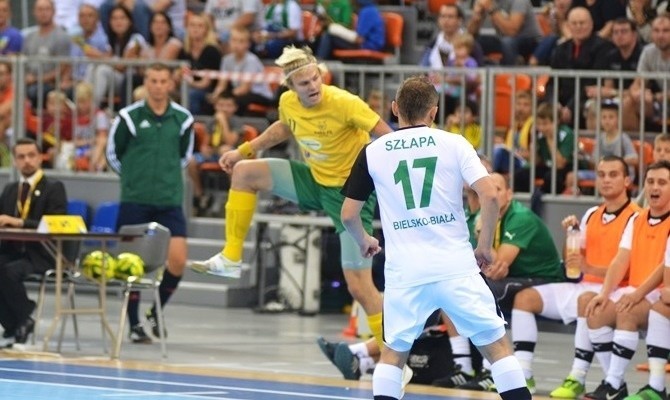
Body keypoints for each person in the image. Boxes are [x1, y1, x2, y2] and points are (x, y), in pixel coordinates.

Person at [190, 46, 393, 357]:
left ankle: (394, 358)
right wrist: (244, 150)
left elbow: (386, 135)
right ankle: (231, 258)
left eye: (315, 79)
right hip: (313, 181)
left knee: (360, 287)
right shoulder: (288, 103)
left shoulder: (344, 103)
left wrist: (385, 177)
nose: (312, 86)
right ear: (290, 86)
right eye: (304, 83)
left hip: (349, 196)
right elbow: (285, 126)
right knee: (244, 173)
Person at [340, 75, 532, 400]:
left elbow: (348, 214)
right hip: (455, 266)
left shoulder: (373, 151)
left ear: (394, 108)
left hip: (406, 272)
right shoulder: (454, 143)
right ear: (434, 112)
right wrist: (483, 247)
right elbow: (490, 195)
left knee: (392, 355)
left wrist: (364, 241)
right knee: (497, 349)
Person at [511, 156, 640, 400]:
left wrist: (588, 266)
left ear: (627, 181)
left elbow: (632, 268)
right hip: (583, 284)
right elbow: (573, 263)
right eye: (601, 175)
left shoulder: (636, 217)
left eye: (613, 175)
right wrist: (571, 235)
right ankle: (523, 374)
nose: (606, 180)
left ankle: (578, 377)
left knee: (587, 301)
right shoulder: (592, 213)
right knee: (525, 298)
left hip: (614, 289)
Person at [434, 172, 564, 393]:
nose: (492, 193)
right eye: (488, 188)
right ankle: (464, 366)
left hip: (544, 280)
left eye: (498, 189)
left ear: (509, 194)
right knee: (450, 288)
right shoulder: (486, 216)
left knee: (485, 290)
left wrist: (481, 227)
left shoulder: (520, 218)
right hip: (516, 277)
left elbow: (497, 267)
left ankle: (488, 370)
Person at [106, 62, 194, 343]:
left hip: (169, 200)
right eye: (153, 81)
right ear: (146, 83)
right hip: (135, 199)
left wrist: (164, 179)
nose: (157, 86)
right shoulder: (128, 117)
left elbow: (183, 157)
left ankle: (155, 312)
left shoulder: (183, 119)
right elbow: (113, 154)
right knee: (132, 265)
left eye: (162, 81)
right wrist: (134, 176)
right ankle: (133, 324)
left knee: (178, 260)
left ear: (171, 84)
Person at [582, 160, 670, 400]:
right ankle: (616, 382)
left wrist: (637, 294)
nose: (655, 187)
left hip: (660, 291)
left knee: (627, 313)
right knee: (596, 312)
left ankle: (615, 384)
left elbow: (665, 266)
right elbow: (620, 260)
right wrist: (604, 293)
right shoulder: (637, 220)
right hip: (636, 289)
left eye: (662, 182)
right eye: (651, 181)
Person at [0, 138, 67, 346]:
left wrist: (20, 222)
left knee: (8, 272)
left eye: (31, 155)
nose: (27, 161)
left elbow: (56, 223)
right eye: (21, 157)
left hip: (42, 254)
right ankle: (17, 322)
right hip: (12, 251)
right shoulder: (10, 189)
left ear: (40, 158)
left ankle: (21, 317)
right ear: (14, 161)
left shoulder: (54, 187)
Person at [209, 27, 274, 116]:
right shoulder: (226, 60)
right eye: (234, 40)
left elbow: (245, 88)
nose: (237, 44)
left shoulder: (251, 60)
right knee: (211, 102)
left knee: (236, 101)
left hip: (259, 95)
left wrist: (226, 98)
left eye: (241, 41)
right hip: (238, 93)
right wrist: (216, 96)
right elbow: (221, 85)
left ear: (248, 44)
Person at [466, 0, 542, 65]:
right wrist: (477, 14)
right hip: (503, 40)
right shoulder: (489, 2)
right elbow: (470, 34)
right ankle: (477, 76)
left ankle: (508, 77)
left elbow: (512, 32)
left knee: (507, 42)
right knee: (474, 42)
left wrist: (492, 9)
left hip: (530, 41)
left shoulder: (519, 1)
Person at [636, 133, 670, 207]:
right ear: (653, 153)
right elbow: (637, 204)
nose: (662, 154)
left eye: (667, 151)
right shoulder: (651, 174)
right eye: (658, 150)